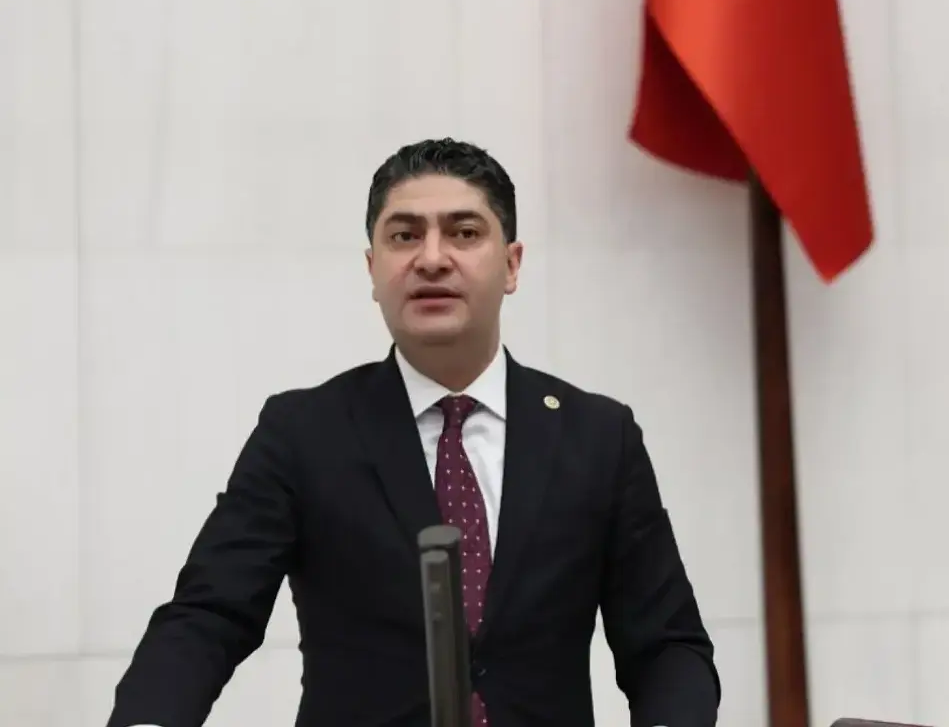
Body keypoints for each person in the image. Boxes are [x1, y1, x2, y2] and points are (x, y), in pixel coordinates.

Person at [106, 138, 720, 727]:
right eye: (404, 236)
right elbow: (210, 614)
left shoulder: (598, 437)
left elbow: (666, 646)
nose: (431, 258)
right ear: (373, 270)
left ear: (511, 265)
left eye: (464, 233)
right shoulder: (303, 433)